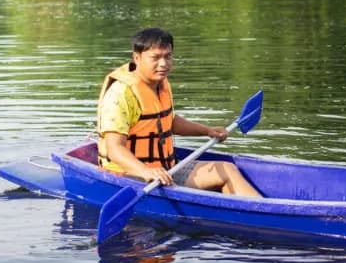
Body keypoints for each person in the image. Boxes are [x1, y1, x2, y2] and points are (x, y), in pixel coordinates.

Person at [98, 27, 261, 197]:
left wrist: (207, 131)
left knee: (226, 169)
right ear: (137, 58)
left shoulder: (161, 83)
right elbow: (114, 149)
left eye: (168, 56)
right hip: (130, 174)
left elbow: (168, 121)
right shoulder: (121, 94)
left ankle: (258, 213)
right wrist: (147, 172)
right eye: (155, 58)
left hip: (167, 168)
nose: (163, 64)